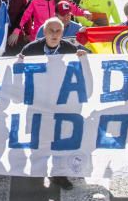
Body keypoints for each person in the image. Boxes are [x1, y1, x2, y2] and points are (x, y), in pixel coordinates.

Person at [21, 17, 86, 190]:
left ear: (63, 34)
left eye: (58, 31)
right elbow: (19, 75)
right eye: (51, 30)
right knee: (38, 141)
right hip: (37, 104)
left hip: (61, 105)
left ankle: (59, 174)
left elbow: (88, 69)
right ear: (44, 32)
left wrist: (83, 58)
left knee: (60, 141)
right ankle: (37, 173)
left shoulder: (71, 49)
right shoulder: (31, 49)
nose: (55, 34)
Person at [14, 0, 89, 43]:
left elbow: (76, 9)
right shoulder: (34, 0)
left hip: (58, 37)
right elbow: (23, 17)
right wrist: (16, 32)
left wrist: (85, 13)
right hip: (39, 38)